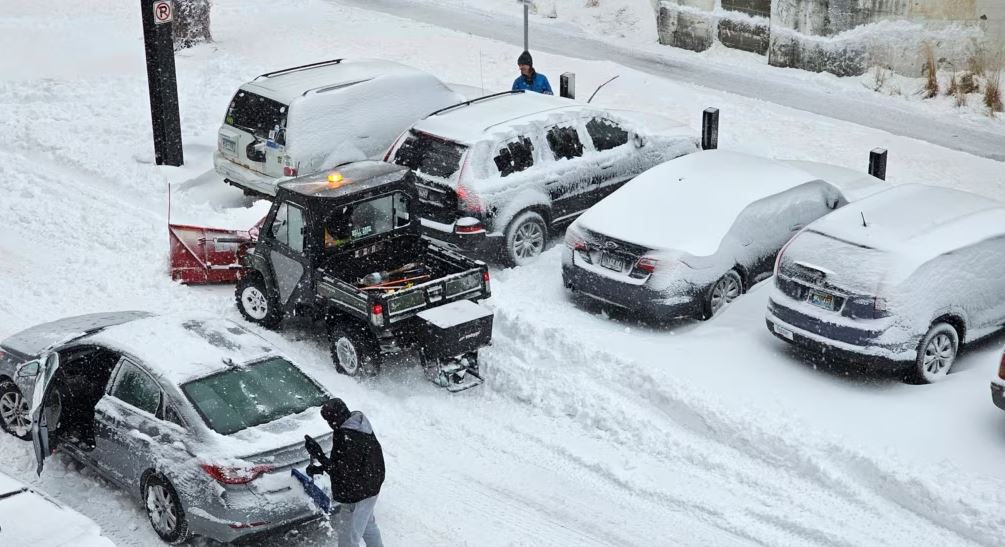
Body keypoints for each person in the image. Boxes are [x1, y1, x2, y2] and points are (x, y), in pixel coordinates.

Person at [306, 398, 385, 547]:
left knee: (348, 541)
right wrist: (321, 468)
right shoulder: (357, 424)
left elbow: (343, 472)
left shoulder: (348, 437)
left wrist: (319, 455)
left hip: (358, 493)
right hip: (370, 486)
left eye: (330, 420)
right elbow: (347, 464)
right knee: (368, 526)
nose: (330, 424)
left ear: (338, 417)